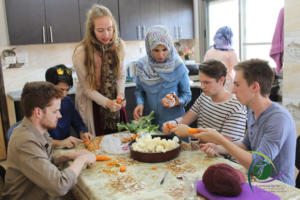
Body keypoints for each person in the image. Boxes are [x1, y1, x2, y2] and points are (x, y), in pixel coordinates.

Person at [195, 59, 296, 186]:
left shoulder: (278, 119)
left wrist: (221, 140)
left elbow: (258, 166)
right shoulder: (253, 111)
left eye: (237, 85)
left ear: (255, 87)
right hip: (256, 182)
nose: (233, 90)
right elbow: (246, 145)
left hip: (278, 188)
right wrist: (219, 148)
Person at [2, 81, 96, 199]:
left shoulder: (38, 130)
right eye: (55, 111)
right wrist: (82, 159)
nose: (60, 115)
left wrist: (70, 156)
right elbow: (59, 185)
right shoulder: (25, 141)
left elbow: (45, 160)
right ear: (38, 112)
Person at [72, 4, 126, 136]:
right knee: (97, 146)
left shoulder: (119, 46)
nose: (106, 34)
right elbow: (87, 89)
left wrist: (120, 94)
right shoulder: (81, 53)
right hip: (93, 105)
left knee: (120, 143)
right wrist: (107, 103)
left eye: (109, 29)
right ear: (92, 31)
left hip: (115, 104)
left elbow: (121, 76)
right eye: (100, 30)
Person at [162, 59, 247, 142]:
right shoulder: (204, 97)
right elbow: (186, 118)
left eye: (206, 83)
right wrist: (173, 123)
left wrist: (190, 132)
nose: (202, 86)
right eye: (201, 82)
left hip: (224, 156)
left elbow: (224, 142)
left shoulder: (236, 107)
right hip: (204, 152)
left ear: (221, 80)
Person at [133, 25, 191, 128]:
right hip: (150, 124)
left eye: (164, 49)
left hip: (174, 124)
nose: (161, 55)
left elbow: (187, 95)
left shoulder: (178, 66)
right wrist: (140, 103)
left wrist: (178, 101)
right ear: (149, 48)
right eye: (156, 50)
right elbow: (139, 90)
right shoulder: (142, 65)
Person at [45, 64, 93, 147]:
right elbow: (37, 141)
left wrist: (83, 132)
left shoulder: (67, 101)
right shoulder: (40, 105)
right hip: (46, 152)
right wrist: (59, 143)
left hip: (65, 149)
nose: (64, 94)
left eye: (67, 90)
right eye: (61, 89)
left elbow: (77, 122)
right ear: (49, 86)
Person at [204, 26, 239, 92]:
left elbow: (204, 68)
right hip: (227, 85)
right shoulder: (230, 52)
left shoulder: (210, 50)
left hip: (212, 83)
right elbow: (238, 70)